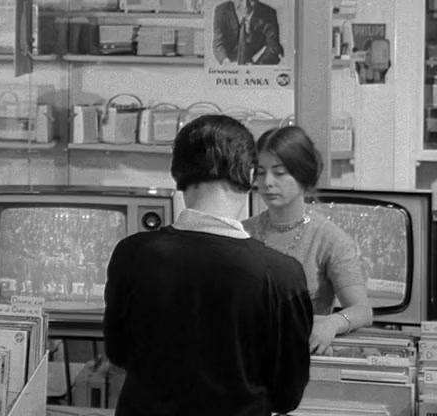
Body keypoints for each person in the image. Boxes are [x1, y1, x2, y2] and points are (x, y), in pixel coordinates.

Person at [104, 114, 312, 416]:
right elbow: (286, 396)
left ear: (177, 173)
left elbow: (118, 353)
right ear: (249, 173)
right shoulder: (283, 275)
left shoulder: (131, 254)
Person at [243, 125, 373, 355]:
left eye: (279, 173)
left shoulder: (330, 239)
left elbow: (362, 310)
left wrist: (333, 323)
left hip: (301, 358)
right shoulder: (242, 232)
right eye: (261, 172)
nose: (267, 182)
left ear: (302, 175)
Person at [213, 0, 284, 66]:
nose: (245, 5)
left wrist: (255, 66)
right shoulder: (221, 11)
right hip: (231, 63)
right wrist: (226, 63)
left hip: (260, 62)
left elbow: (273, 46)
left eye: (251, 0)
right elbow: (218, 43)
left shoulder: (268, 14)